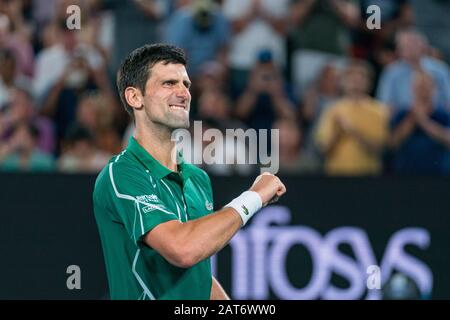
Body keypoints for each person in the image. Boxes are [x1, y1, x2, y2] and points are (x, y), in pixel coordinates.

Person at [92, 44, 286, 300]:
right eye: (169, 83)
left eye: (186, 84)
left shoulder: (197, 178)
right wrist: (253, 197)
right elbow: (182, 249)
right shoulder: (121, 174)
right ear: (135, 97)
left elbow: (197, 272)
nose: (183, 92)